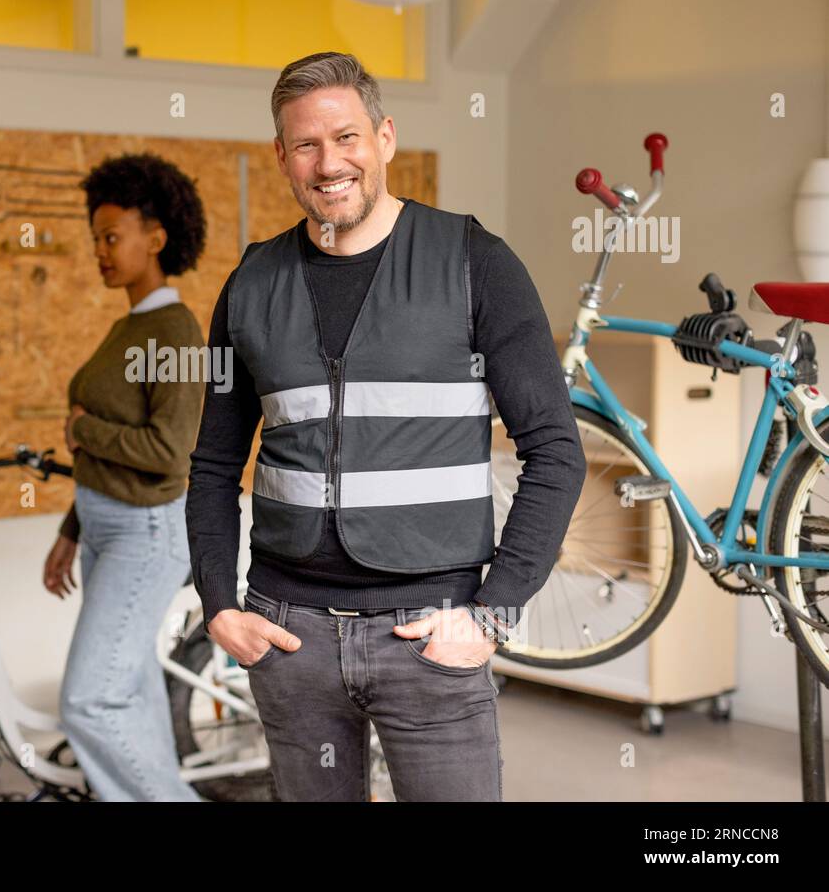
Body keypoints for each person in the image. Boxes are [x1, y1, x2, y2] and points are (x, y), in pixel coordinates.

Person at [186, 52, 586, 801]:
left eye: (346, 137)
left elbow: (557, 453)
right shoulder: (250, 285)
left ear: (385, 138)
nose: (328, 162)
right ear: (281, 156)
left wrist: (493, 611)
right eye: (305, 144)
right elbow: (212, 464)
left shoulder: (474, 262)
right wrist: (220, 605)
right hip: (289, 635)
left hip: (432, 637)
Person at [42, 153, 207, 801]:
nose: (100, 253)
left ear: (156, 238)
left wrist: (82, 430)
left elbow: (169, 452)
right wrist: (72, 528)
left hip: (147, 534)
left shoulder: (174, 329)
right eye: (95, 241)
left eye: (112, 237)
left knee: (89, 698)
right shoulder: (127, 325)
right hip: (107, 528)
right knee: (131, 697)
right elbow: (112, 453)